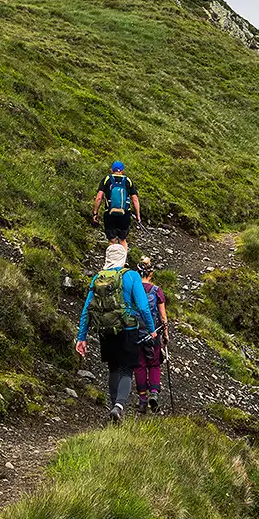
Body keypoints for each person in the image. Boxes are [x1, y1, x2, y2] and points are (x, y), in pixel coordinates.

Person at [75, 243, 159, 423]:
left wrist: (81, 337)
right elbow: (144, 307)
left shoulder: (98, 278)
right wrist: (152, 330)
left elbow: (86, 309)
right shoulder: (131, 276)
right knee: (127, 369)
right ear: (123, 257)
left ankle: (114, 410)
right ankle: (119, 406)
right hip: (128, 330)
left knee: (113, 368)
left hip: (105, 331)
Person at [133, 255, 170, 413]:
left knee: (139, 365)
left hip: (135, 333)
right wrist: (166, 334)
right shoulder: (156, 291)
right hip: (153, 333)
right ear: (151, 273)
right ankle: (154, 393)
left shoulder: (132, 290)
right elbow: (163, 316)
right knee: (154, 363)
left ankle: (142, 401)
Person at [92, 161, 142, 242]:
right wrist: (138, 215)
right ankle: (123, 254)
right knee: (122, 240)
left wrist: (95, 213)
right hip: (125, 214)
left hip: (109, 213)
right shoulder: (128, 180)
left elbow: (99, 197)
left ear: (111, 170)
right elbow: (135, 200)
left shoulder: (106, 179)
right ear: (122, 171)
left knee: (112, 240)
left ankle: (113, 253)